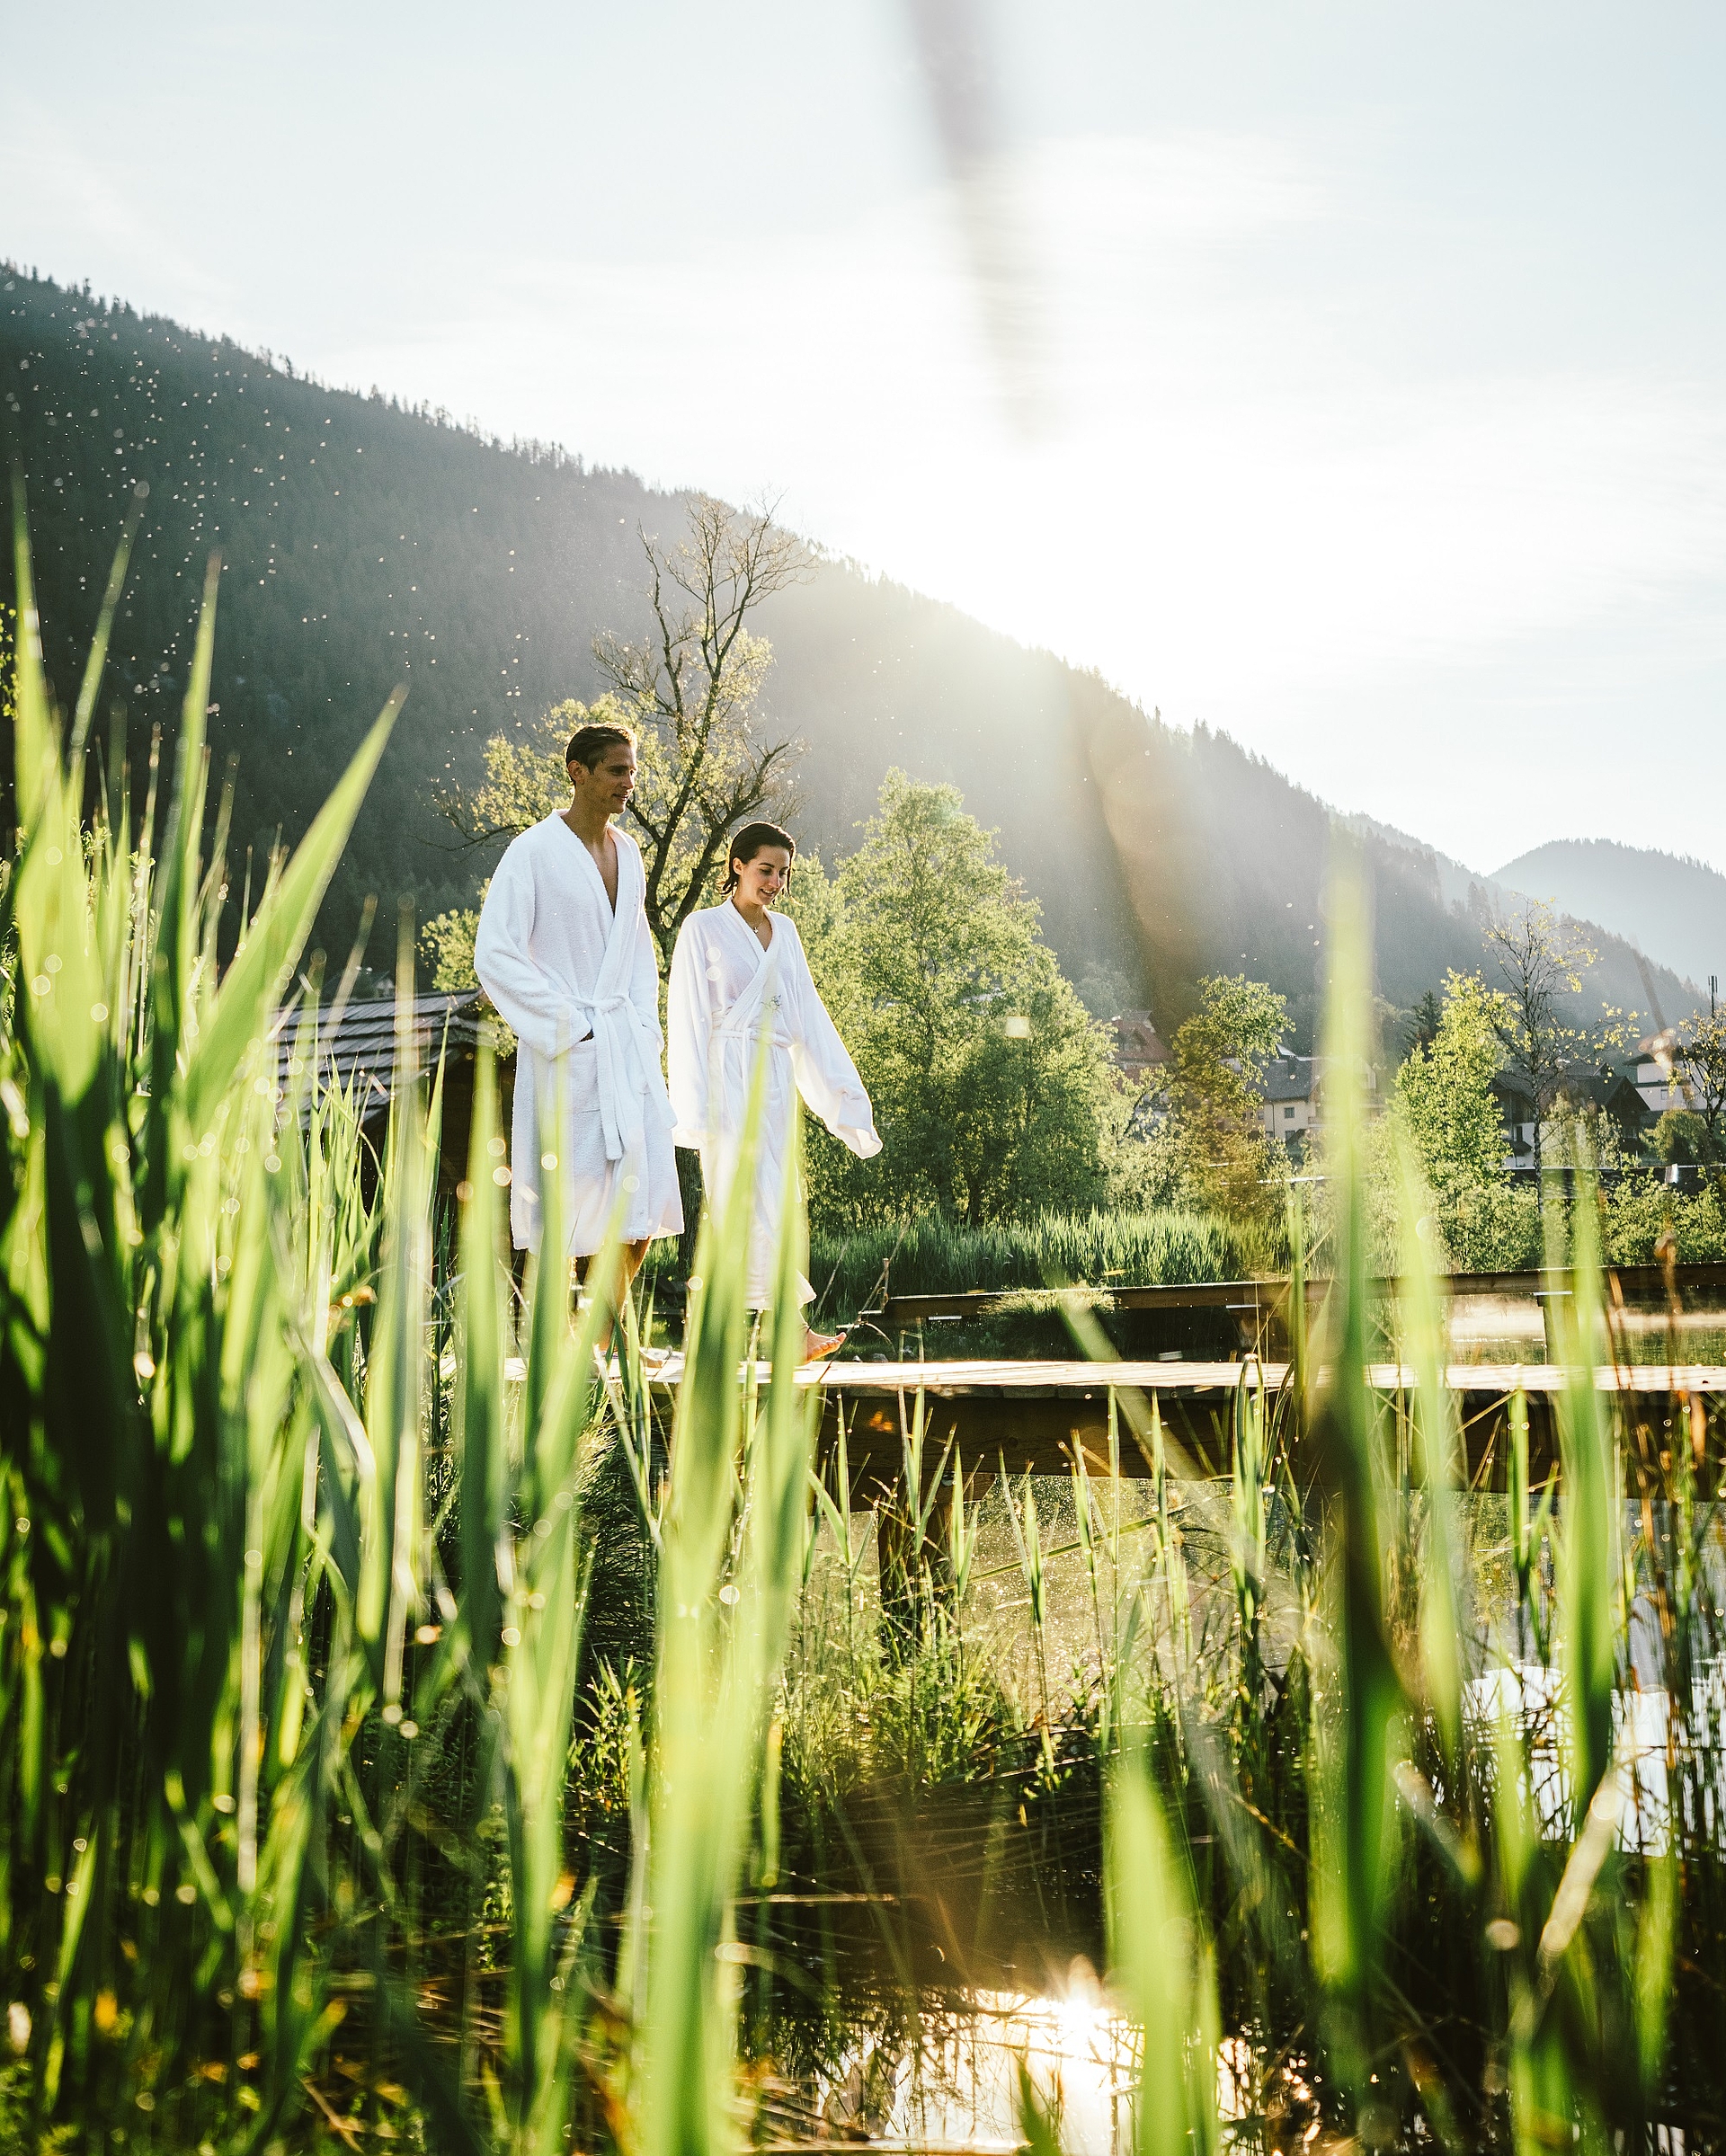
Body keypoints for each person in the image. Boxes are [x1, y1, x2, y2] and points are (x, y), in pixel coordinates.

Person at [474, 721, 682, 1334]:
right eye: (617, 770)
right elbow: (497, 954)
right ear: (578, 771)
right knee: (565, 1202)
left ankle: (601, 1329)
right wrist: (572, 1027)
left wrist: (644, 1027)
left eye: (633, 770)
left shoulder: (631, 854)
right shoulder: (533, 852)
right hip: (570, 1048)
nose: (629, 782)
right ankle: (560, 1344)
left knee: (642, 1202)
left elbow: (638, 954)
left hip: (626, 1044)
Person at [668, 821, 879, 1360]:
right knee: (736, 1198)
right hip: (725, 1077)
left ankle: (789, 1330)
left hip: (775, 1080)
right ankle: (722, 1330)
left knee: (780, 1199)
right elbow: (688, 1017)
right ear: (736, 865)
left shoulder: (784, 933)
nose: (775, 882)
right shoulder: (702, 928)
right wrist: (693, 1109)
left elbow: (808, 1016)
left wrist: (841, 1098)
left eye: (784, 873)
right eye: (766, 870)